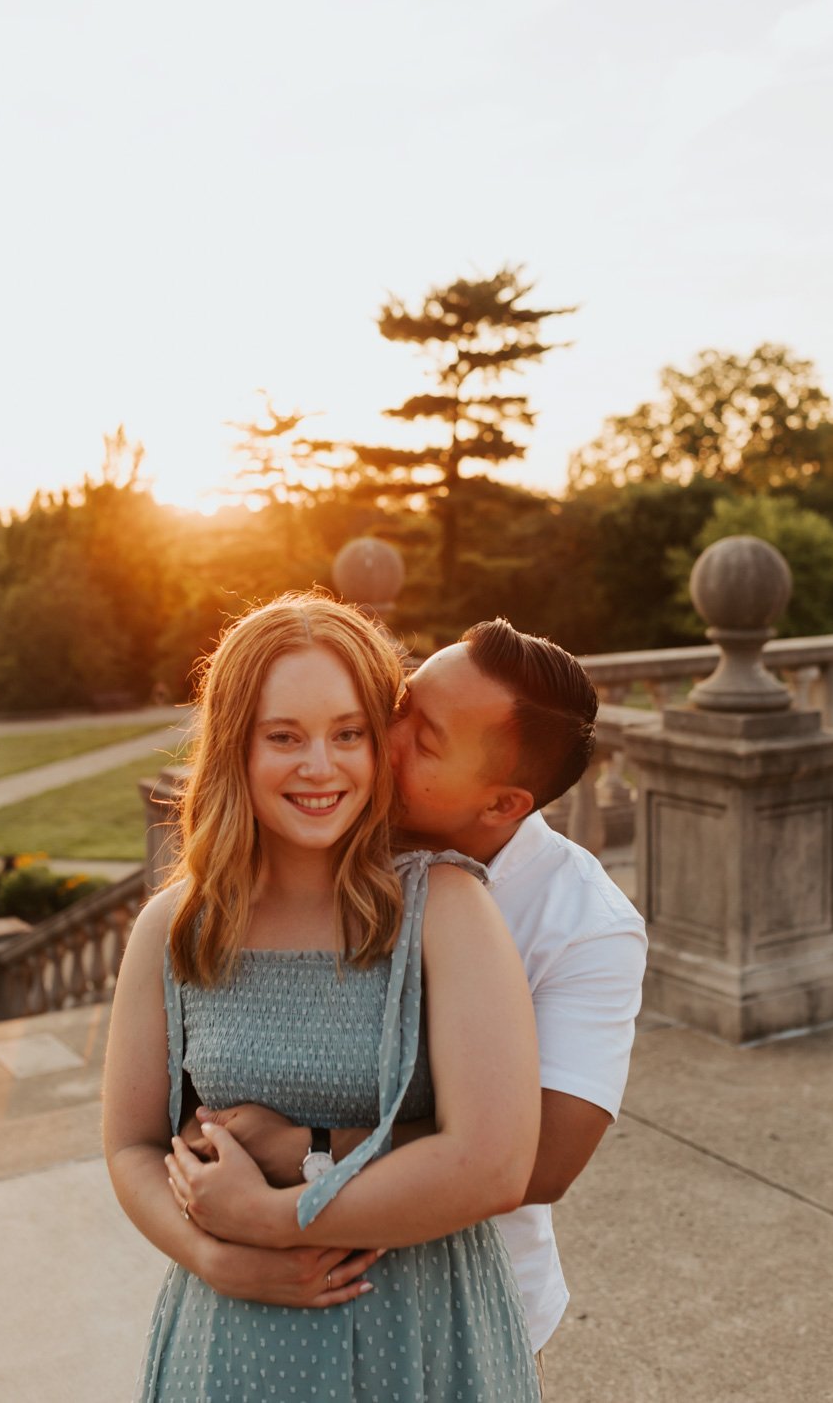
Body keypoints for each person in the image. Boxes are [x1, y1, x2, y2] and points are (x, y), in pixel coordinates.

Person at [103, 593, 543, 1402]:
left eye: (349, 734)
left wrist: (281, 1216)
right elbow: (131, 1147)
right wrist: (213, 1256)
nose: (320, 766)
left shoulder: (446, 909)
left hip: (420, 1325)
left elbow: (495, 1163)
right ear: (237, 746)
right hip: (231, 1337)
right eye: (284, 737)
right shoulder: (174, 928)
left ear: (381, 747)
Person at [174, 617, 648, 1368]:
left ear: (502, 805)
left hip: (462, 1301)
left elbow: (538, 1161)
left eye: (423, 740)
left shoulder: (585, 926)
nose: (379, 734)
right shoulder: (324, 835)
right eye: (399, 701)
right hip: (265, 1307)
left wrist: (308, 1154)